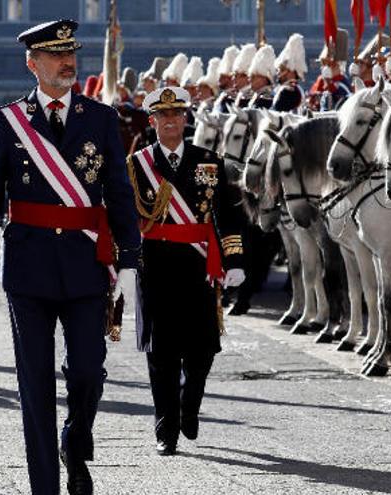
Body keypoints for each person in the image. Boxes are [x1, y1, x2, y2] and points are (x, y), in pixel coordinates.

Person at [0, 19, 141, 495]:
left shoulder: (101, 118)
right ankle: (43, 486)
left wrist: (129, 259)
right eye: (54, 54)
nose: (67, 62)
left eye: (70, 53)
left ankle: (76, 440)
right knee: (35, 385)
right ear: (32, 63)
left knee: (88, 370)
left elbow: (119, 193)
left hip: (86, 265)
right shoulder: (8, 121)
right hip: (28, 268)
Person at [128, 87, 245, 455]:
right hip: (156, 266)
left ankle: (188, 403)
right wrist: (122, 266)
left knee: (202, 350)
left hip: (199, 266)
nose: (170, 121)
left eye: (176, 114)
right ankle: (166, 429)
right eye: (163, 115)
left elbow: (228, 215)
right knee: (161, 354)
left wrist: (235, 260)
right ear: (152, 121)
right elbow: (125, 219)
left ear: (185, 119)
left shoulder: (210, 162)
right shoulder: (137, 165)